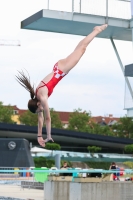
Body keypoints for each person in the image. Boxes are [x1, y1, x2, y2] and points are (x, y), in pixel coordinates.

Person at [16, 24, 108, 147]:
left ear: (38, 104)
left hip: (61, 71)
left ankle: (97, 30)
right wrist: (39, 136)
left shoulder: (42, 97)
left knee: (82, 49)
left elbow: (47, 118)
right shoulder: (37, 97)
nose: (41, 111)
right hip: (58, 68)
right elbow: (40, 120)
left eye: (39, 109)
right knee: (79, 49)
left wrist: (48, 136)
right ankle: (95, 31)